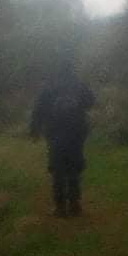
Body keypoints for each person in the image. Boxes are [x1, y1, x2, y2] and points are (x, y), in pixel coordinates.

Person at [30, 60, 95, 217]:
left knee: (57, 168)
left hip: (55, 132)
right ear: (71, 69)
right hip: (76, 132)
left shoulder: (49, 86)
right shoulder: (78, 84)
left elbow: (38, 109)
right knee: (74, 167)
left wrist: (34, 129)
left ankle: (60, 208)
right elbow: (91, 102)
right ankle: (75, 205)